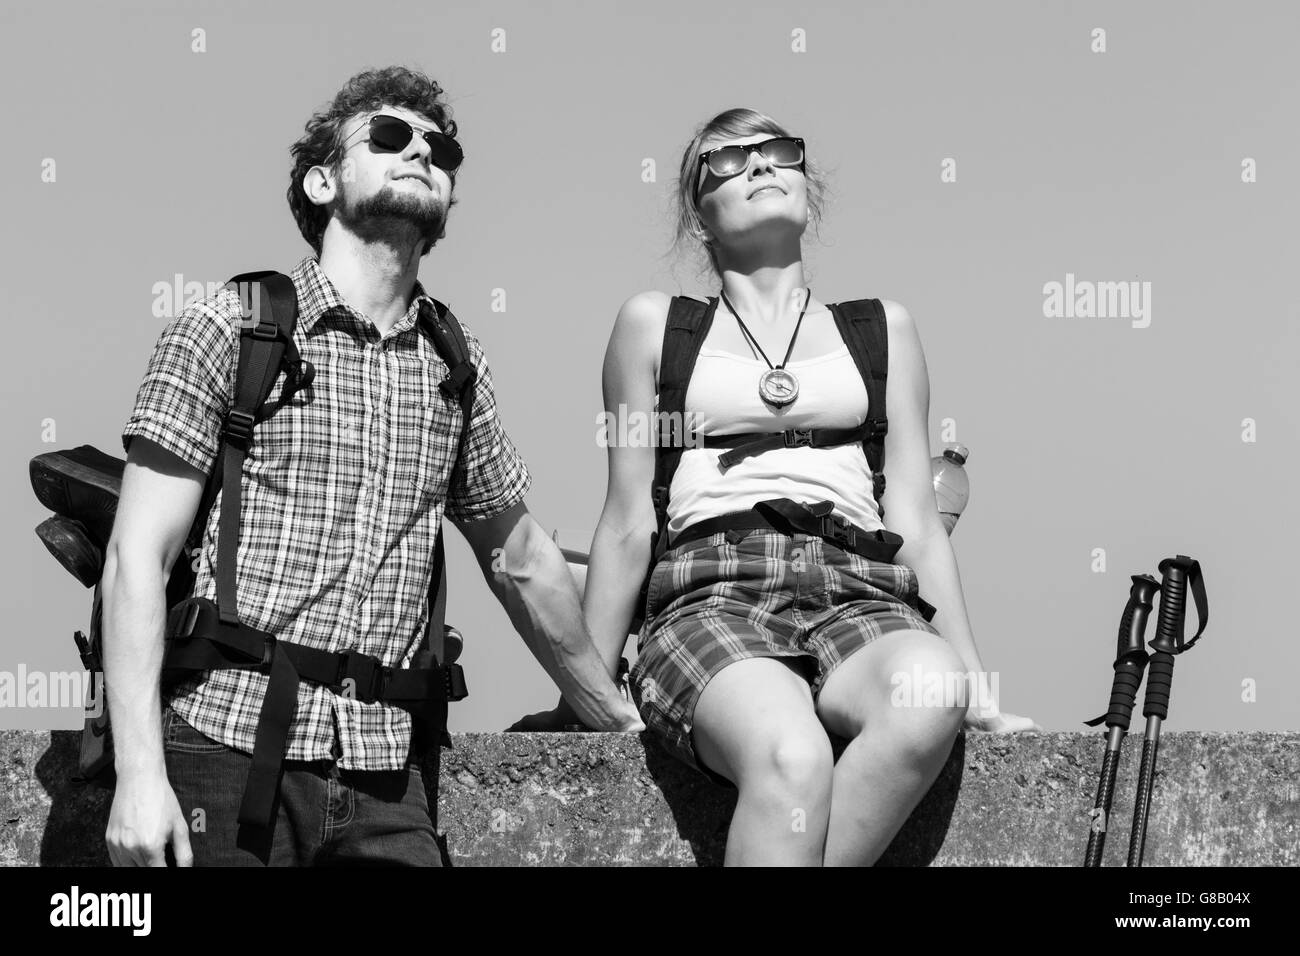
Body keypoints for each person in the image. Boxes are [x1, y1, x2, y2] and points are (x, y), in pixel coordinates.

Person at [100, 66, 642, 868]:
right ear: (322, 181)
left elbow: (520, 558)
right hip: (223, 743)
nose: (422, 149)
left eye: (441, 148)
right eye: (388, 137)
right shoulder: (230, 325)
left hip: (389, 774)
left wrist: (619, 723)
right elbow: (136, 556)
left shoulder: (455, 361)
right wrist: (138, 776)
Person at [523, 108, 1040, 866]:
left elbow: (918, 519)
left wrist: (977, 688)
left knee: (931, 695)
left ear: (807, 186)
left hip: (863, 587)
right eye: (727, 161)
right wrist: (589, 695)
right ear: (699, 217)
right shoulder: (656, 328)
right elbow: (629, 518)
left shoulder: (881, 330)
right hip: (711, 589)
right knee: (791, 755)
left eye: (777, 151)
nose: (760, 165)